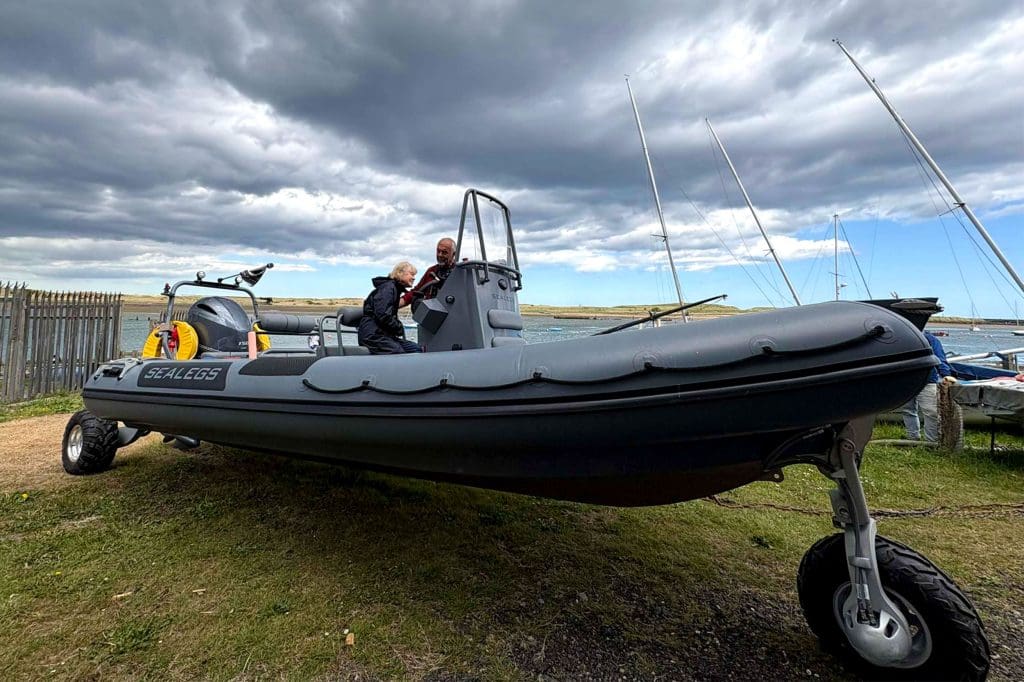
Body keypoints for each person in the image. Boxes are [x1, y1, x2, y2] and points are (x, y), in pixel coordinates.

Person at [358, 261, 422, 354]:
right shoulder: (387, 289)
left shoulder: (394, 289)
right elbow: (383, 315)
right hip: (372, 336)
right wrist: (399, 327)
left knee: (415, 348)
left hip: (383, 335)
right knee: (397, 352)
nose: (414, 278)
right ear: (400, 273)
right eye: (411, 274)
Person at [900, 331, 953, 442]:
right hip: (905, 380)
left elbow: (939, 358)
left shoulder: (930, 339)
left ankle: (931, 441)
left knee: (931, 412)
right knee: (908, 410)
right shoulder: (899, 337)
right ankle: (913, 437)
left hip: (927, 380)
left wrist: (946, 374)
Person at [400, 238, 456, 308]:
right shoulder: (431, 271)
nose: (440, 255)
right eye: (438, 251)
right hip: (432, 315)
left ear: (453, 254)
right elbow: (416, 292)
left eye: (444, 252)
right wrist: (396, 304)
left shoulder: (460, 273)